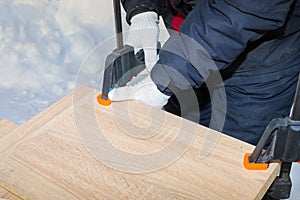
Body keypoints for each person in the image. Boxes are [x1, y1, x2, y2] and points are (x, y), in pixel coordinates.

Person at [108, 0, 300, 146]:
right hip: (189, 37)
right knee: (176, 150)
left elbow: (247, 8)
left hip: (260, 63)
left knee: (234, 170)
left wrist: (171, 74)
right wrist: (142, 7)